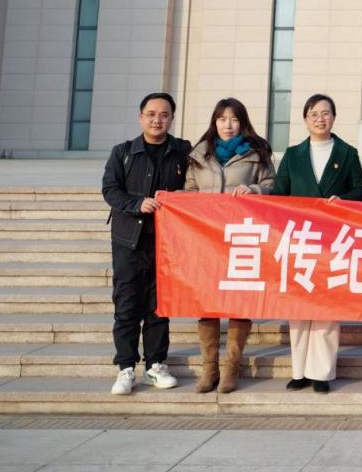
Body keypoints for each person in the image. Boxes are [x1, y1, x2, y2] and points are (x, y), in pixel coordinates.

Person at [272, 94, 362, 393]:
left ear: (334, 118)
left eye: (326, 113)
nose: (320, 119)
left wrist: (343, 200)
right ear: (305, 119)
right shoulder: (293, 154)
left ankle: (321, 372)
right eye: (314, 114)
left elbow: (360, 189)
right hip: (300, 239)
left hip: (333, 240)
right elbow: (278, 193)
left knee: (327, 305)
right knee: (299, 308)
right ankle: (299, 371)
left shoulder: (347, 153)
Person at [183, 97, 276, 393]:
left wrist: (254, 189)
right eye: (222, 119)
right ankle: (209, 369)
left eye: (234, 119)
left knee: (239, 301)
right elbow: (188, 191)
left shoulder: (257, 153)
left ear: (242, 122)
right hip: (207, 239)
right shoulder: (199, 154)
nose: (228, 125)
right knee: (207, 303)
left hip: (241, 238)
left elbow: (273, 186)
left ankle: (231, 368)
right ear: (215, 122)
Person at [101, 92, 190, 396]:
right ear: (140, 117)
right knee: (127, 304)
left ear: (172, 118)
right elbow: (110, 190)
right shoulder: (123, 152)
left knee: (159, 306)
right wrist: (137, 203)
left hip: (166, 243)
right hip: (129, 241)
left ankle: (156, 365)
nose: (157, 120)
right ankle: (126, 367)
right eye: (151, 114)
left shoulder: (183, 152)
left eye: (164, 115)